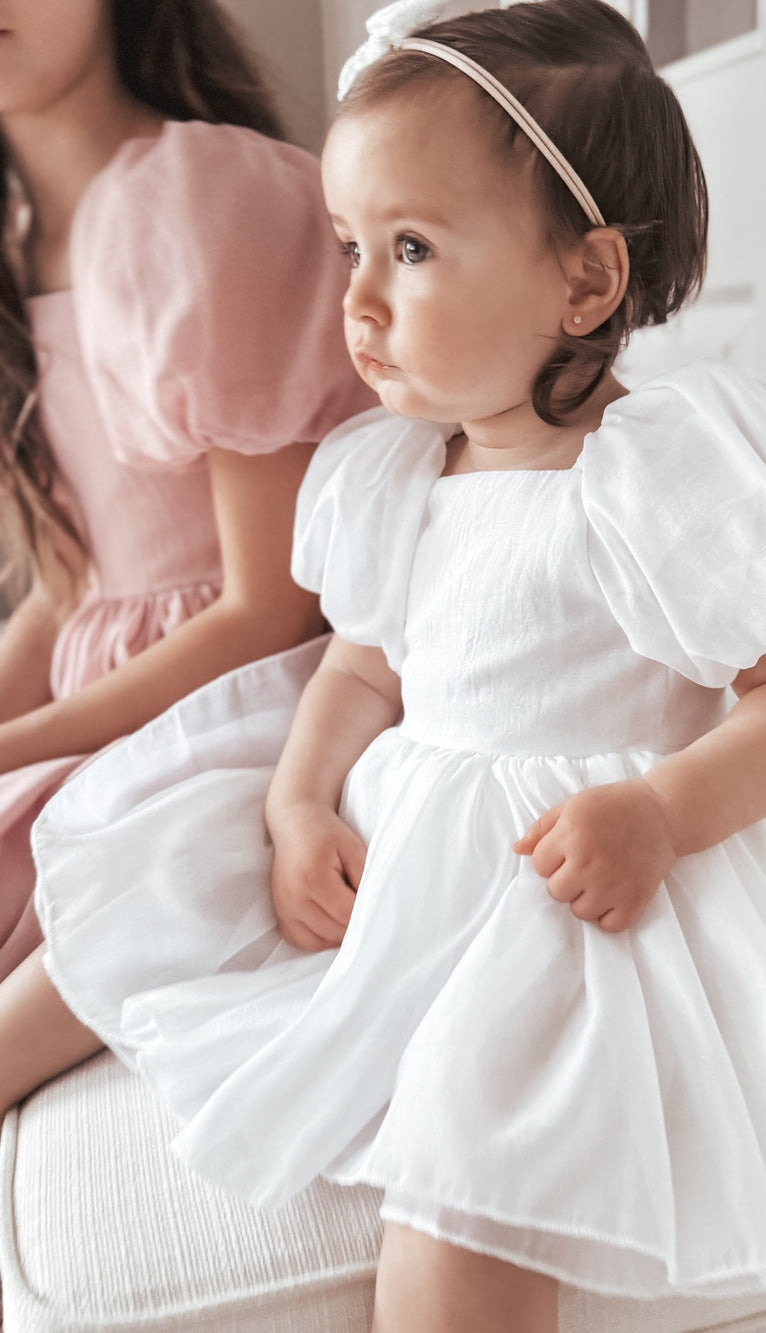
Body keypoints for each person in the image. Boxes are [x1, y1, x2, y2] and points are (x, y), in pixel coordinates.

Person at [6, 1, 766, 1329]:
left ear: (584, 282)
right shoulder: (399, 471)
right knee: (156, 892)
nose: (355, 299)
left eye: (409, 250)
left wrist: (657, 810)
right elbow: (362, 671)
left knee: (476, 1168)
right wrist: (299, 801)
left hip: (573, 873)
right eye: (350, 245)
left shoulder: (656, 477)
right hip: (414, 834)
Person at [0, 0, 370, 977]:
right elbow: (75, 584)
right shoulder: (19, 235)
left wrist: (20, 743)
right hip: (113, 692)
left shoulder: (201, 196)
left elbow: (268, 609)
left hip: (237, 699)